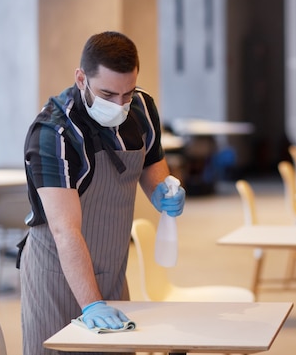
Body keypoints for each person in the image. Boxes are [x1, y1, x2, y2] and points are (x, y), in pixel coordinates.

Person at [20, 31, 186, 355]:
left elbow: (153, 163)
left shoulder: (141, 109)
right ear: (81, 78)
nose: (119, 105)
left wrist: (162, 190)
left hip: (111, 269)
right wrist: (92, 303)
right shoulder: (54, 132)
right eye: (108, 94)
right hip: (55, 275)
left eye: (127, 93)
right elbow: (64, 229)